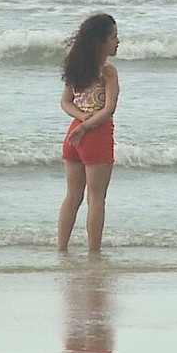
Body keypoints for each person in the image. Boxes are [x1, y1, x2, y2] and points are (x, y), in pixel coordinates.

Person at [57, 13, 120, 253]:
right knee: (96, 198)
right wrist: (87, 124)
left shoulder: (75, 67)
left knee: (72, 197)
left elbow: (65, 102)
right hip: (96, 134)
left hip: (73, 134)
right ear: (100, 41)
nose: (117, 41)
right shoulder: (107, 71)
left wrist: (80, 119)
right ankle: (94, 251)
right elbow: (109, 108)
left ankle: (61, 248)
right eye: (113, 37)